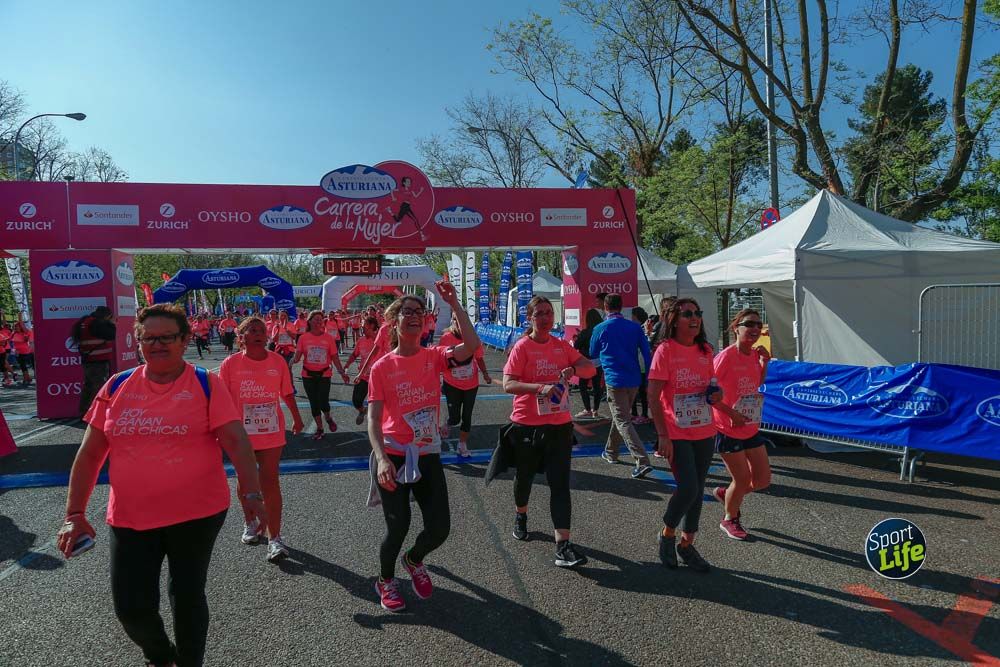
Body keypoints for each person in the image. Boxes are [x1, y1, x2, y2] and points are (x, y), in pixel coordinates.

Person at [56, 303, 267, 667]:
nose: (157, 344)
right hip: (130, 518)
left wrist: (251, 493)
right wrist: (74, 513)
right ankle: (161, 656)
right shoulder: (117, 386)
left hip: (197, 513)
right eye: (148, 338)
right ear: (137, 342)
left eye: (166, 337)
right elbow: (90, 454)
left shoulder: (205, 383)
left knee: (186, 597)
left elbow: (236, 442)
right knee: (131, 609)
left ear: (185, 340)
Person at [367, 282, 480, 612]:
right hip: (393, 454)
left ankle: (413, 560)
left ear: (426, 321)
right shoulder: (382, 367)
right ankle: (385, 580)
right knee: (398, 525)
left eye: (420, 312)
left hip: (427, 452)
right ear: (394, 321)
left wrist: (455, 302)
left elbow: (471, 344)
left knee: (440, 528)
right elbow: (373, 421)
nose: (415, 316)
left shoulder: (435, 357)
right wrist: (382, 458)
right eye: (407, 312)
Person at [502, 296, 596, 568]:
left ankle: (563, 545)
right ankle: (521, 514)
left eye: (548, 313)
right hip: (526, 425)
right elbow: (508, 384)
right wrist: (539, 388)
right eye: (539, 314)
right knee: (525, 479)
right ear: (529, 318)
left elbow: (589, 368)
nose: (544, 318)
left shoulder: (561, 346)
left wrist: (574, 368)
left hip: (558, 425)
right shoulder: (522, 347)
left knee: (560, 485)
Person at [219, 316, 305, 561]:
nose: (258, 333)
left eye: (261, 330)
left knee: (270, 482)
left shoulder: (277, 361)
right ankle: (249, 521)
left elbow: (287, 393)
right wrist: (219, 429)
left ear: (267, 336)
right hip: (240, 434)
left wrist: (297, 419)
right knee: (246, 481)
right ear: (241, 337)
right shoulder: (230, 364)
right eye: (252, 330)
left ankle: (275, 538)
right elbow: (222, 400)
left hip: (270, 431)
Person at [648, 298, 721, 573]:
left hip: (704, 428)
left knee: (698, 489)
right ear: (673, 320)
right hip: (676, 430)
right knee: (688, 486)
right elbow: (653, 396)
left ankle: (687, 544)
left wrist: (718, 394)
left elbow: (713, 386)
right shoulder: (665, 351)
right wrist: (662, 435)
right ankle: (667, 534)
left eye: (698, 312)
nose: (695, 318)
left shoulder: (706, 350)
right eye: (687, 313)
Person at [710, 309, 771, 541]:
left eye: (758, 325)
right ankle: (729, 519)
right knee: (743, 479)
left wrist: (764, 362)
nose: (755, 329)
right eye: (749, 324)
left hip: (750, 426)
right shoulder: (725, 357)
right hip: (728, 427)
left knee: (763, 480)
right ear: (736, 328)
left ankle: (729, 495)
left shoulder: (754, 355)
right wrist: (731, 413)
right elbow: (709, 394)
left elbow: (757, 382)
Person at [590, 294, 653, 479]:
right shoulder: (634, 327)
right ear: (621, 306)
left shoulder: (600, 328)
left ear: (605, 308)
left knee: (623, 420)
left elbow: (592, 351)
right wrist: (650, 375)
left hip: (614, 378)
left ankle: (642, 460)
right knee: (622, 417)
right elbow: (646, 353)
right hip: (633, 378)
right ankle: (611, 451)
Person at [439, 313, 491, 457]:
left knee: (467, 416)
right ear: (452, 321)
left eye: (463, 320)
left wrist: (485, 374)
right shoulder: (446, 338)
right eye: (457, 320)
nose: (460, 323)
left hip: (471, 384)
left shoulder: (473, 338)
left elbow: (479, 358)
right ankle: (448, 423)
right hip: (452, 384)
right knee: (455, 418)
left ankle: (462, 445)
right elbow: (439, 360)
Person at [293, 311, 350, 440]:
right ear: (310, 321)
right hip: (308, 374)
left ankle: (328, 418)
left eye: (320, 319)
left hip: (324, 374)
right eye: (316, 319)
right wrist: (291, 361)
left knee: (323, 402)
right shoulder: (303, 338)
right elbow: (297, 357)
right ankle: (320, 428)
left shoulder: (328, 338)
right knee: (314, 402)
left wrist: (342, 373)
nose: (319, 321)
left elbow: (335, 357)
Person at [73, 306, 117, 417]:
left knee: (89, 387)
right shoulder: (98, 324)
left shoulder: (84, 322)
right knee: (98, 388)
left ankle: (84, 412)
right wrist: (112, 324)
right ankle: (96, 415)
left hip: (88, 359)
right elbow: (111, 335)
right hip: (98, 361)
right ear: (106, 316)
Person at [346, 316, 379, 426]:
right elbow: (355, 355)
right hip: (363, 376)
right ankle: (362, 410)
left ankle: (380, 428)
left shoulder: (383, 340)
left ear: (372, 326)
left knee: (378, 405)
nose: (361, 327)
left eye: (364, 325)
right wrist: (346, 364)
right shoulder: (361, 340)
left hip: (379, 378)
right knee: (356, 401)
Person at [572, 308, 605, 419]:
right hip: (598, 362)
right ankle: (595, 410)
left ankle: (587, 409)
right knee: (597, 387)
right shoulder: (600, 331)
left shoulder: (585, 332)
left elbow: (576, 346)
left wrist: (577, 338)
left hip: (585, 362)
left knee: (583, 386)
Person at [630, 306, 651, 425]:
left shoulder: (643, 328)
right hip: (637, 362)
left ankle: (643, 414)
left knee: (642, 390)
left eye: (632, 315)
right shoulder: (636, 328)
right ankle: (634, 413)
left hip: (641, 363)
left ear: (635, 316)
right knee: (635, 389)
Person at [11, 321, 34, 385]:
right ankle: (28, 378)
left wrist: (26, 338)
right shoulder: (13, 333)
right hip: (17, 352)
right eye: (15, 326)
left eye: (17, 326)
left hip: (25, 351)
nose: (15, 327)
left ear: (20, 327)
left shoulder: (24, 333)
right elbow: (8, 339)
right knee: (22, 365)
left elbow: (26, 340)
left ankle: (25, 378)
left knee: (23, 365)